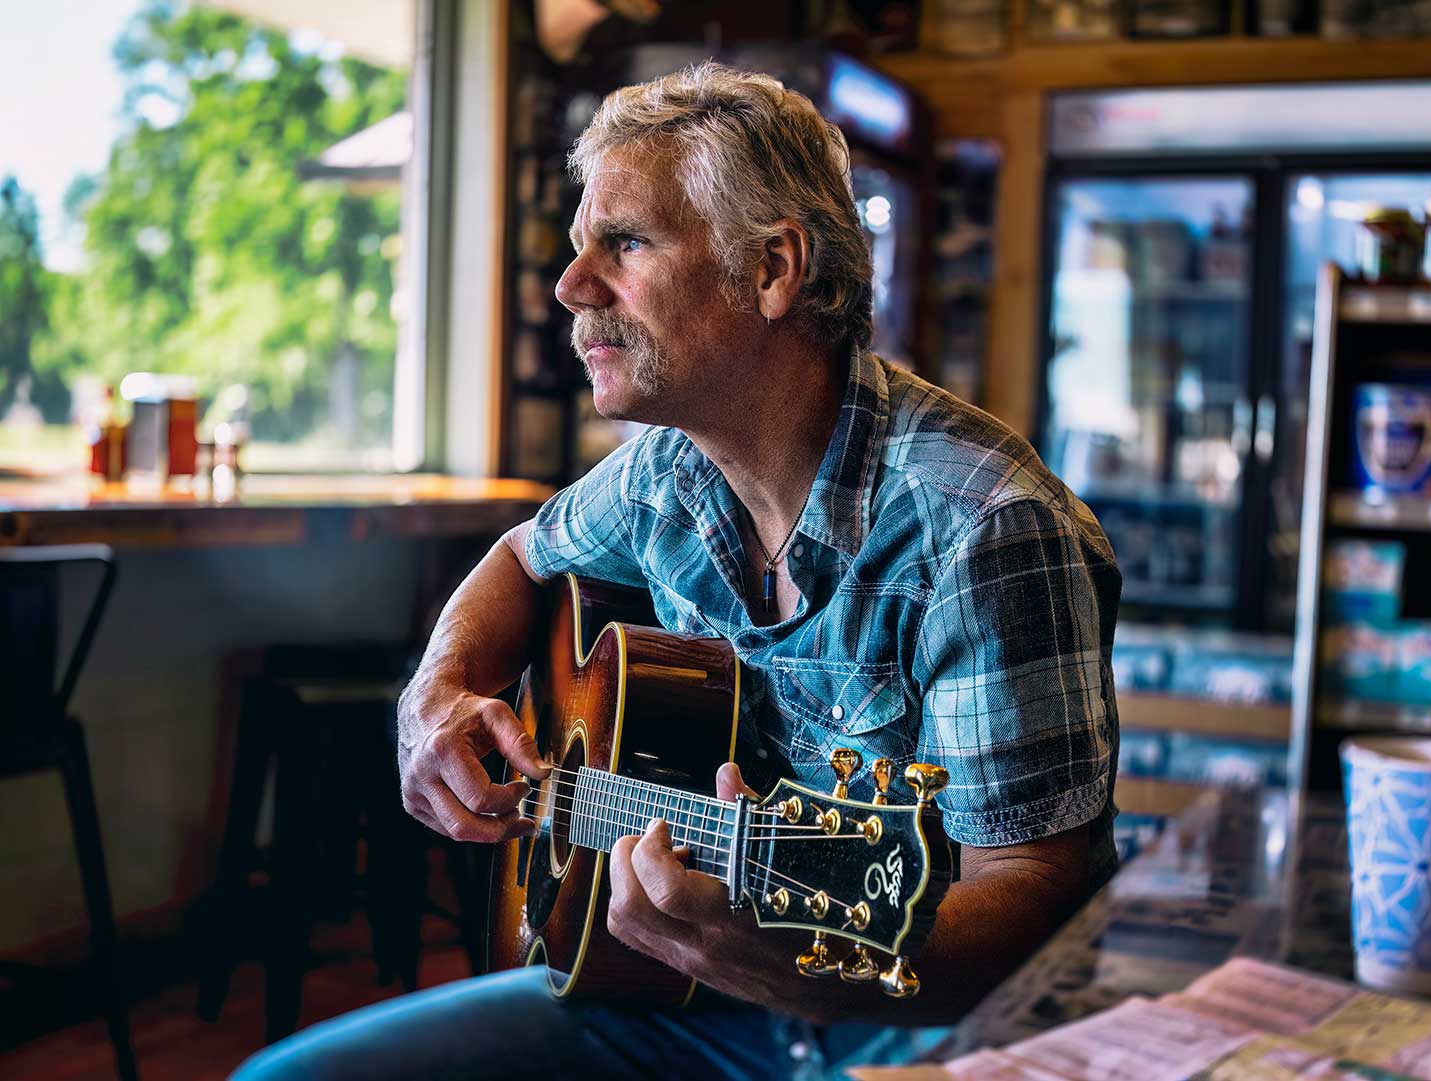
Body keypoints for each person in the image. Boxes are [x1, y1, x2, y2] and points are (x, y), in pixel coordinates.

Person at [233, 62, 1120, 1081]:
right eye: (579, 248)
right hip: (675, 992)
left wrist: (792, 968)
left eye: (626, 243)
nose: (571, 288)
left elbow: (1031, 896)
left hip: (916, 1032)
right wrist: (438, 689)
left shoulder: (986, 528)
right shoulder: (669, 470)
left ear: (772, 271)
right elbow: (523, 555)